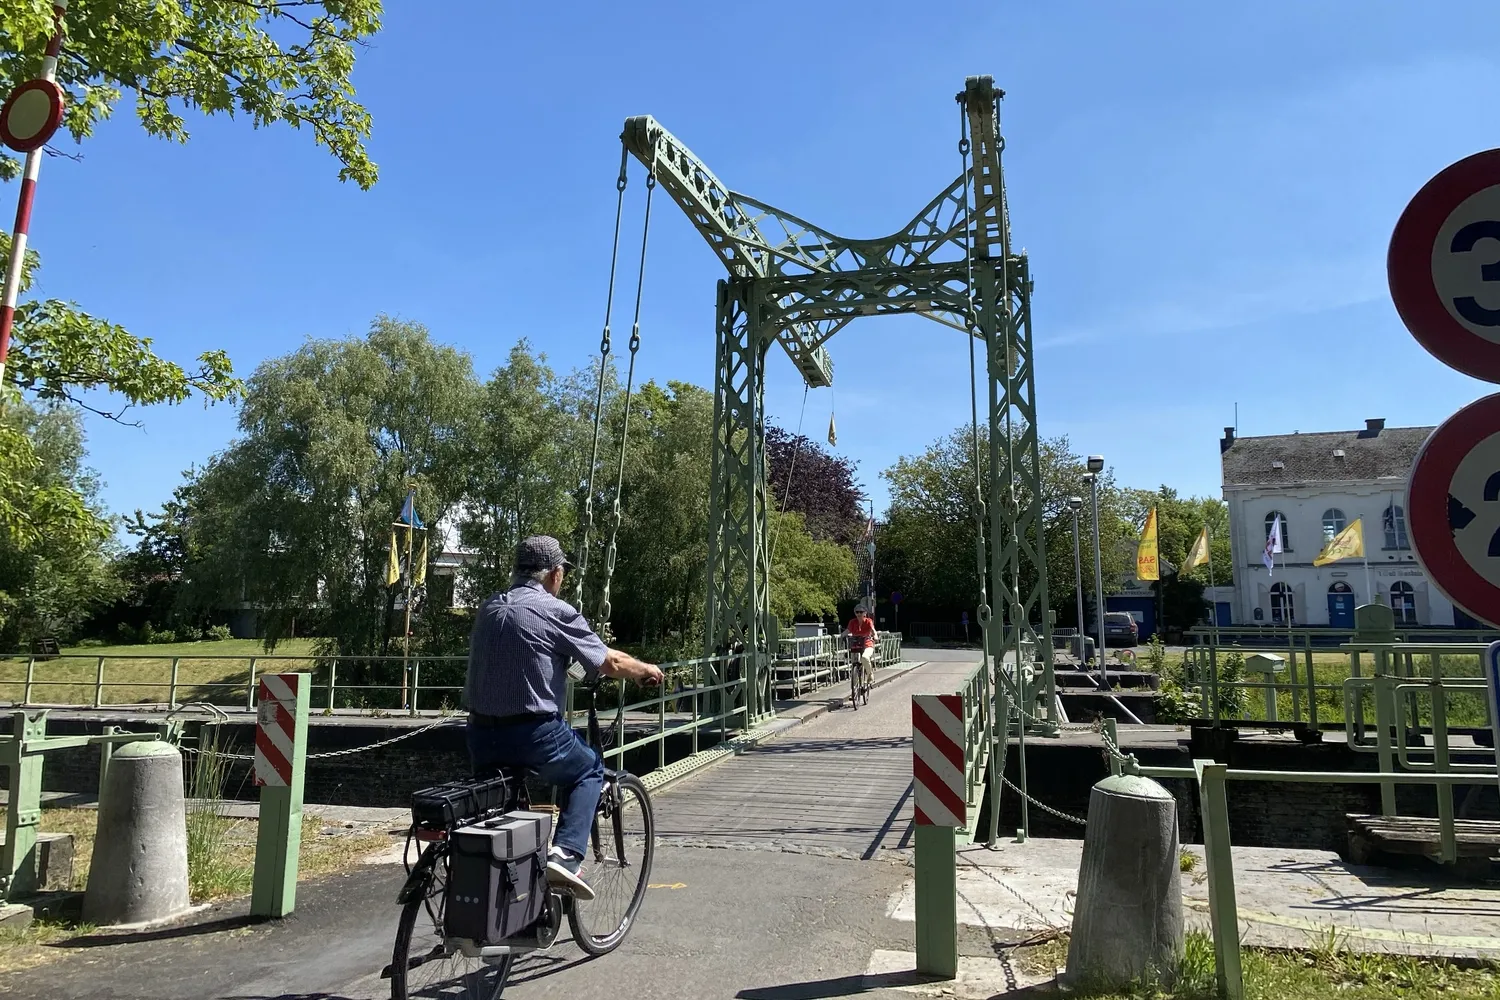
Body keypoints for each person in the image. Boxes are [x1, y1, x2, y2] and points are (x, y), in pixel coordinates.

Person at [464, 535, 663, 900]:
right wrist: (643, 669)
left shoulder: (489, 608)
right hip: (534, 734)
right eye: (563, 574)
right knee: (589, 771)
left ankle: (510, 901)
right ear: (555, 573)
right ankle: (566, 856)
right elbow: (609, 662)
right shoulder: (554, 611)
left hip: (479, 734)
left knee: (504, 812)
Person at [846, 605, 877, 692]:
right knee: (854, 666)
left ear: (865, 613)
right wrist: (840, 635)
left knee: (865, 658)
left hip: (867, 644)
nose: (859, 614)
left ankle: (870, 676)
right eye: (857, 612)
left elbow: (873, 630)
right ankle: (855, 689)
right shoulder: (852, 622)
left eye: (861, 612)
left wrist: (875, 636)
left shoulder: (868, 621)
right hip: (856, 644)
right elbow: (847, 631)